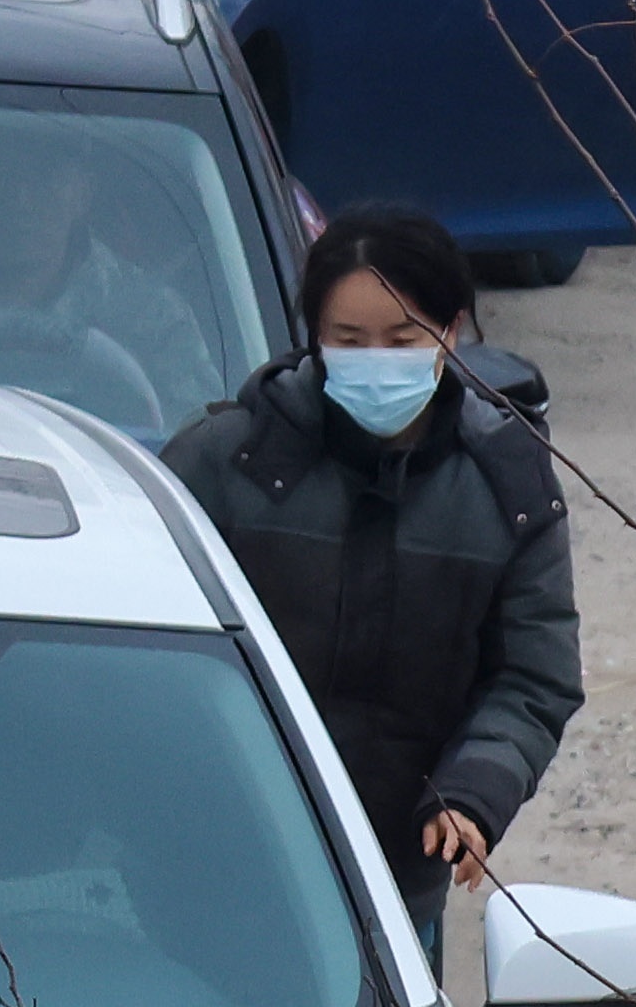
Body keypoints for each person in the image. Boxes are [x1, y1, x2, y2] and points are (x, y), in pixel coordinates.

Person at [158, 207, 579, 888]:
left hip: (394, 871)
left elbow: (534, 677)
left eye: (402, 339)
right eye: (349, 340)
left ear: (452, 331)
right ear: (314, 339)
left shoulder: (508, 487)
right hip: (213, 846)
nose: (375, 365)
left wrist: (473, 795)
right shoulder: (223, 464)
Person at [0, 113, 221, 436]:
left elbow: (195, 450)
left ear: (83, 194)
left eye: (45, 175)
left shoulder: (151, 321)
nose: (20, 200)